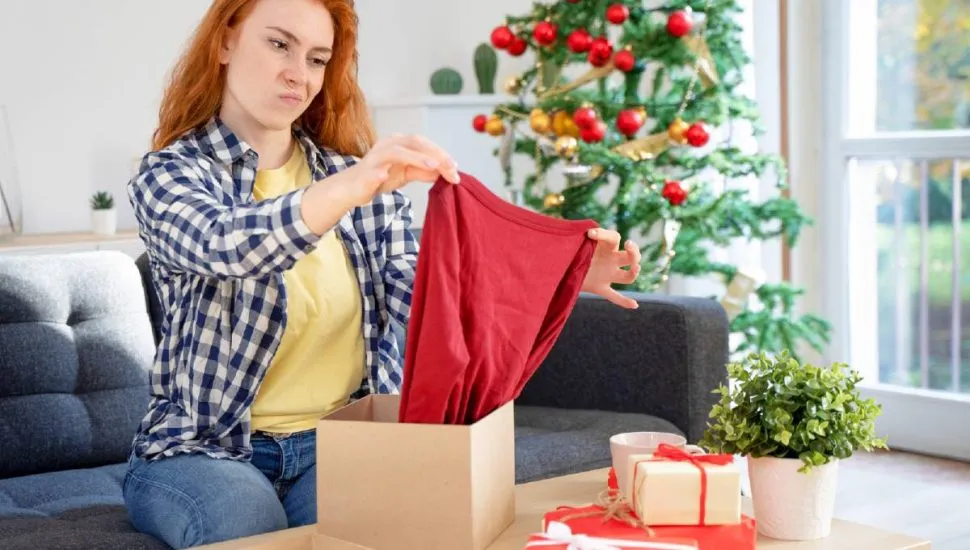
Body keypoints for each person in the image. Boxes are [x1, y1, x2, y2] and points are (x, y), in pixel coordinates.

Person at [122, 0, 643, 547]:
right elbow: (230, 244)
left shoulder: (355, 180)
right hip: (202, 449)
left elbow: (431, 303)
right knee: (248, 526)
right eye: (279, 44)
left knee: (398, 531)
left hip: (342, 444)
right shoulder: (170, 174)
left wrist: (560, 274)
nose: (299, 73)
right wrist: (355, 184)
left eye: (318, 59)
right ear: (225, 43)